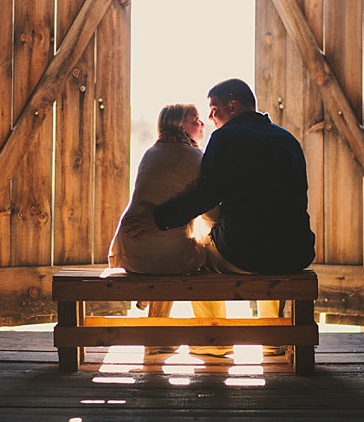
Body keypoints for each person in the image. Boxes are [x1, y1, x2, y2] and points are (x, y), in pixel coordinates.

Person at [123, 79, 315, 343]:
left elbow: (205, 196)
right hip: (296, 253)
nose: (210, 117)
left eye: (214, 109)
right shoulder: (287, 139)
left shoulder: (225, 138)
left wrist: (158, 219)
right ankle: (274, 341)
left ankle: (212, 343)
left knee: (198, 253)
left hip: (244, 258)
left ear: (232, 106)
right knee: (269, 243)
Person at [107, 103, 227, 356]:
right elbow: (210, 213)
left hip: (129, 250)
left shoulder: (151, 152)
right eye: (195, 119)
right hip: (162, 256)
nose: (202, 123)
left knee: (174, 247)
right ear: (180, 125)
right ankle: (212, 341)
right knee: (206, 254)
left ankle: (157, 336)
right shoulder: (194, 157)